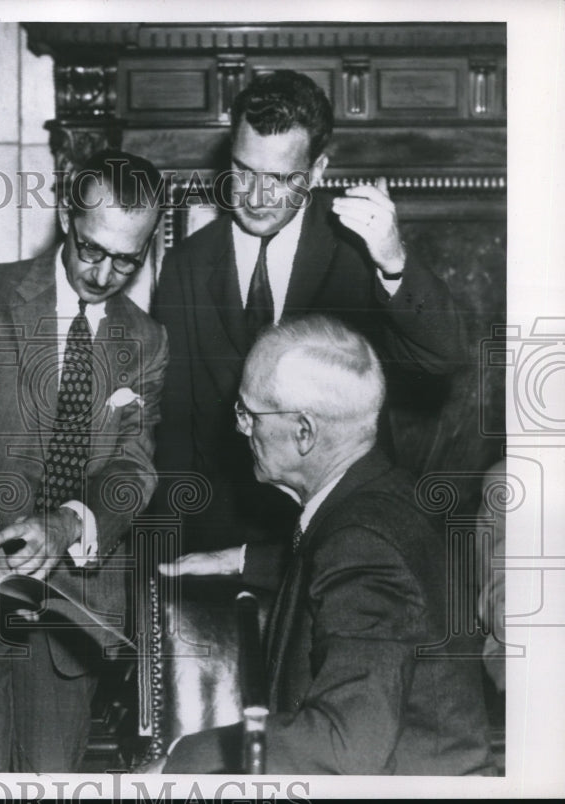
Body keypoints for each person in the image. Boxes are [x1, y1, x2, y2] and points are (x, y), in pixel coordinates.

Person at [0, 150, 169, 772]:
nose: (104, 273)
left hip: (70, 624)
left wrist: (66, 525)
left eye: (127, 260)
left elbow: (133, 468)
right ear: (64, 216)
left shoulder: (147, 341)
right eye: (91, 249)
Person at [160, 315, 493, 775]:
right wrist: (238, 560)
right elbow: (342, 567)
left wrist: (184, 759)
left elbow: (342, 744)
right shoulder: (384, 499)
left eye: (248, 414)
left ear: (304, 431)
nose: (241, 430)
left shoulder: (361, 542)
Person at [152, 69, 465, 558]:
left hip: (345, 536)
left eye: (279, 179)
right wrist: (171, 564)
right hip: (216, 540)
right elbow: (173, 433)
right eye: (243, 171)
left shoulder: (359, 250)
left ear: (317, 171)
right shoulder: (186, 264)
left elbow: (442, 357)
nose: (256, 197)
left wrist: (394, 261)